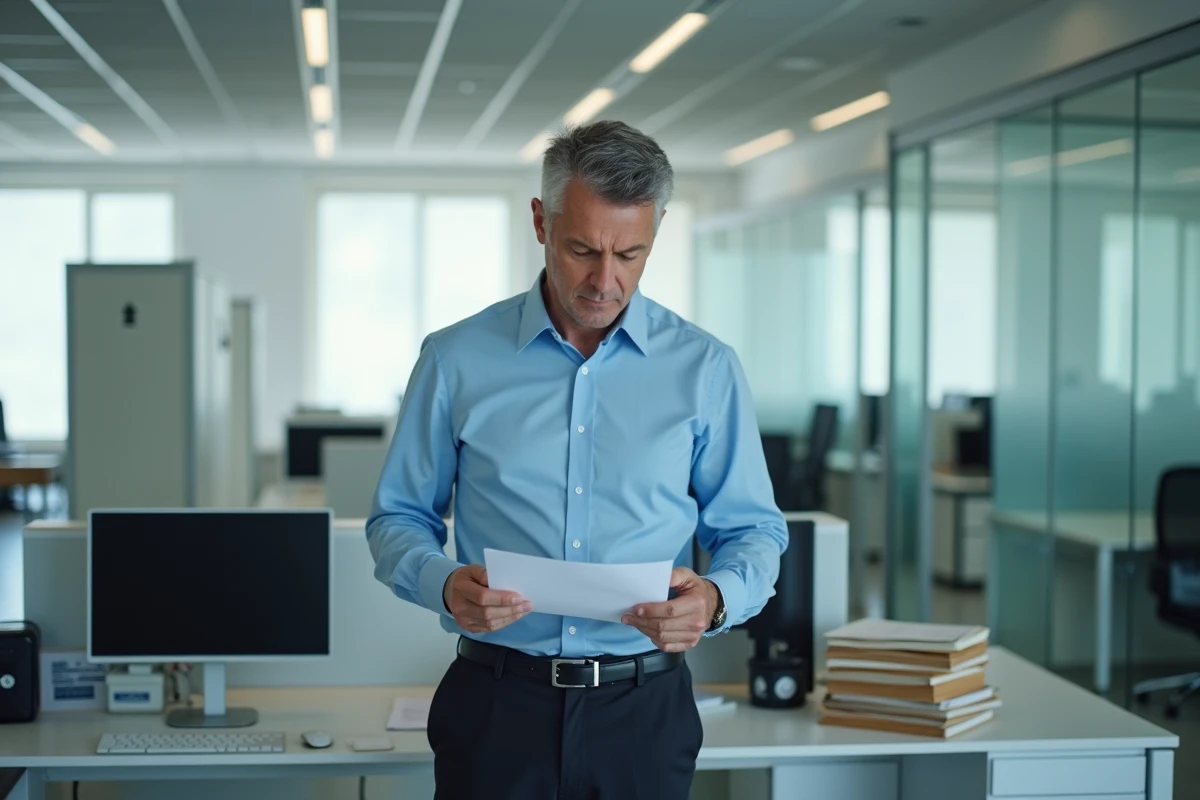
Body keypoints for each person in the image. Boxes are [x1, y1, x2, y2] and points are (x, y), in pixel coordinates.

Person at [367, 119, 787, 799]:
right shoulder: (455, 360)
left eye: (631, 254)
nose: (604, 279)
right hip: (496, 709)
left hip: (644, 715)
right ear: (541, 220)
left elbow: (754, 531)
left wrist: (715, 600)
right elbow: (397, 517)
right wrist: (442, 582)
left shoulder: (705, 368)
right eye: (582, 249)